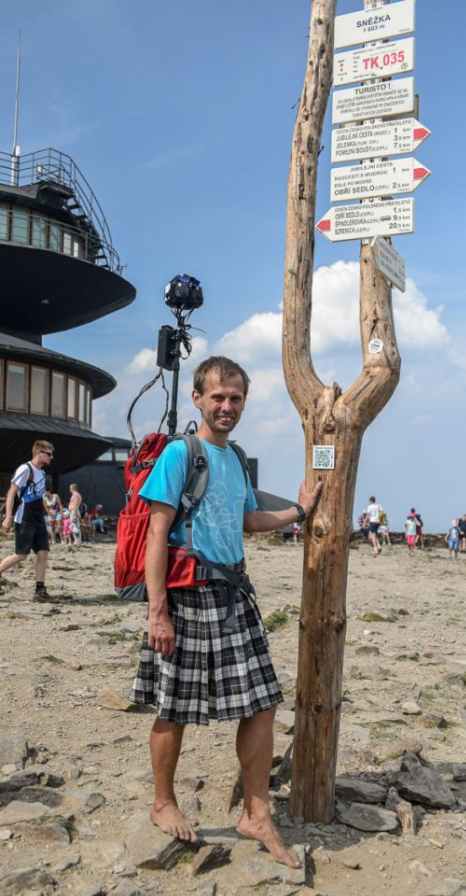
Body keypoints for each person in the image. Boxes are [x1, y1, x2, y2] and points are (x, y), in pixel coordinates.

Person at [129, 356, 322, 867]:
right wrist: (157, 612)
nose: (227, 406)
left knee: (263, 701)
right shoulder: (180, 454)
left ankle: (256, 813)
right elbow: (155, 535)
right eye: (217, 397)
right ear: (197, 398)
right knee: (174, 707)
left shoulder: (234, 457)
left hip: (234, 596)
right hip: (186, 596)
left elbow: (248, 520)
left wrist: (300, 510)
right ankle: (162, 803)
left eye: (235, 398)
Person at [0, 440, 56, 602]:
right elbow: (11, 493)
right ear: (39, 453)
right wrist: (8, 517)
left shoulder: (42, 473)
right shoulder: (25, 469)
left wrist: (48, 510)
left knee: (43, 553)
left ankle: (40, 590)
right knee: (21, 555)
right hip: (25, 518)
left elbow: (40, 495)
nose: (51, 457)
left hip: (38, 518)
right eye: (49, 454)